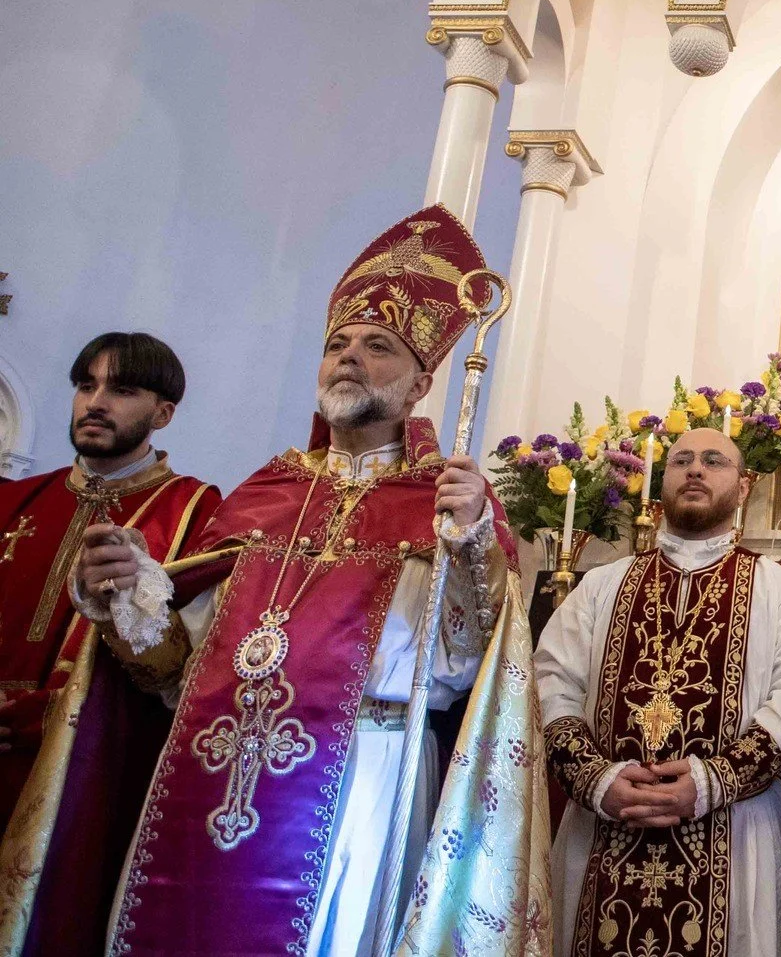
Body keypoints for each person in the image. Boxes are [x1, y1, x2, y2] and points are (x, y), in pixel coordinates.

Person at [3, 205, 549, 957]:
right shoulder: (265, 493)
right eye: (337, 345)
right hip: (210, 766)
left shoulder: (448, 502)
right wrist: (126, 595)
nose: (349, 357)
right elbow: (173, 667)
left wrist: (472, 542)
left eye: (378, 346)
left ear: (422, 381)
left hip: (364, 771)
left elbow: (474, 667)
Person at [536, 426, 781, 957]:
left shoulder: (779, 590)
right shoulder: (601, 586)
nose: (695, 469)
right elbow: (551, 683)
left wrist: (712, 781)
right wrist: (594, 779)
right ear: (661, 484)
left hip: (732, 828)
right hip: (604, 826)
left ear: (743, 488)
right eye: (682, 461)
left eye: (714, 461)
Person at [0, 333, 219, 839]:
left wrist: (58, 713)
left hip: (85, 769)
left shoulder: (198, 512)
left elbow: (185, 667)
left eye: (121, 391)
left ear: (162, 414)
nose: (95, 403)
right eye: (85, 385)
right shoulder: (16, 499)